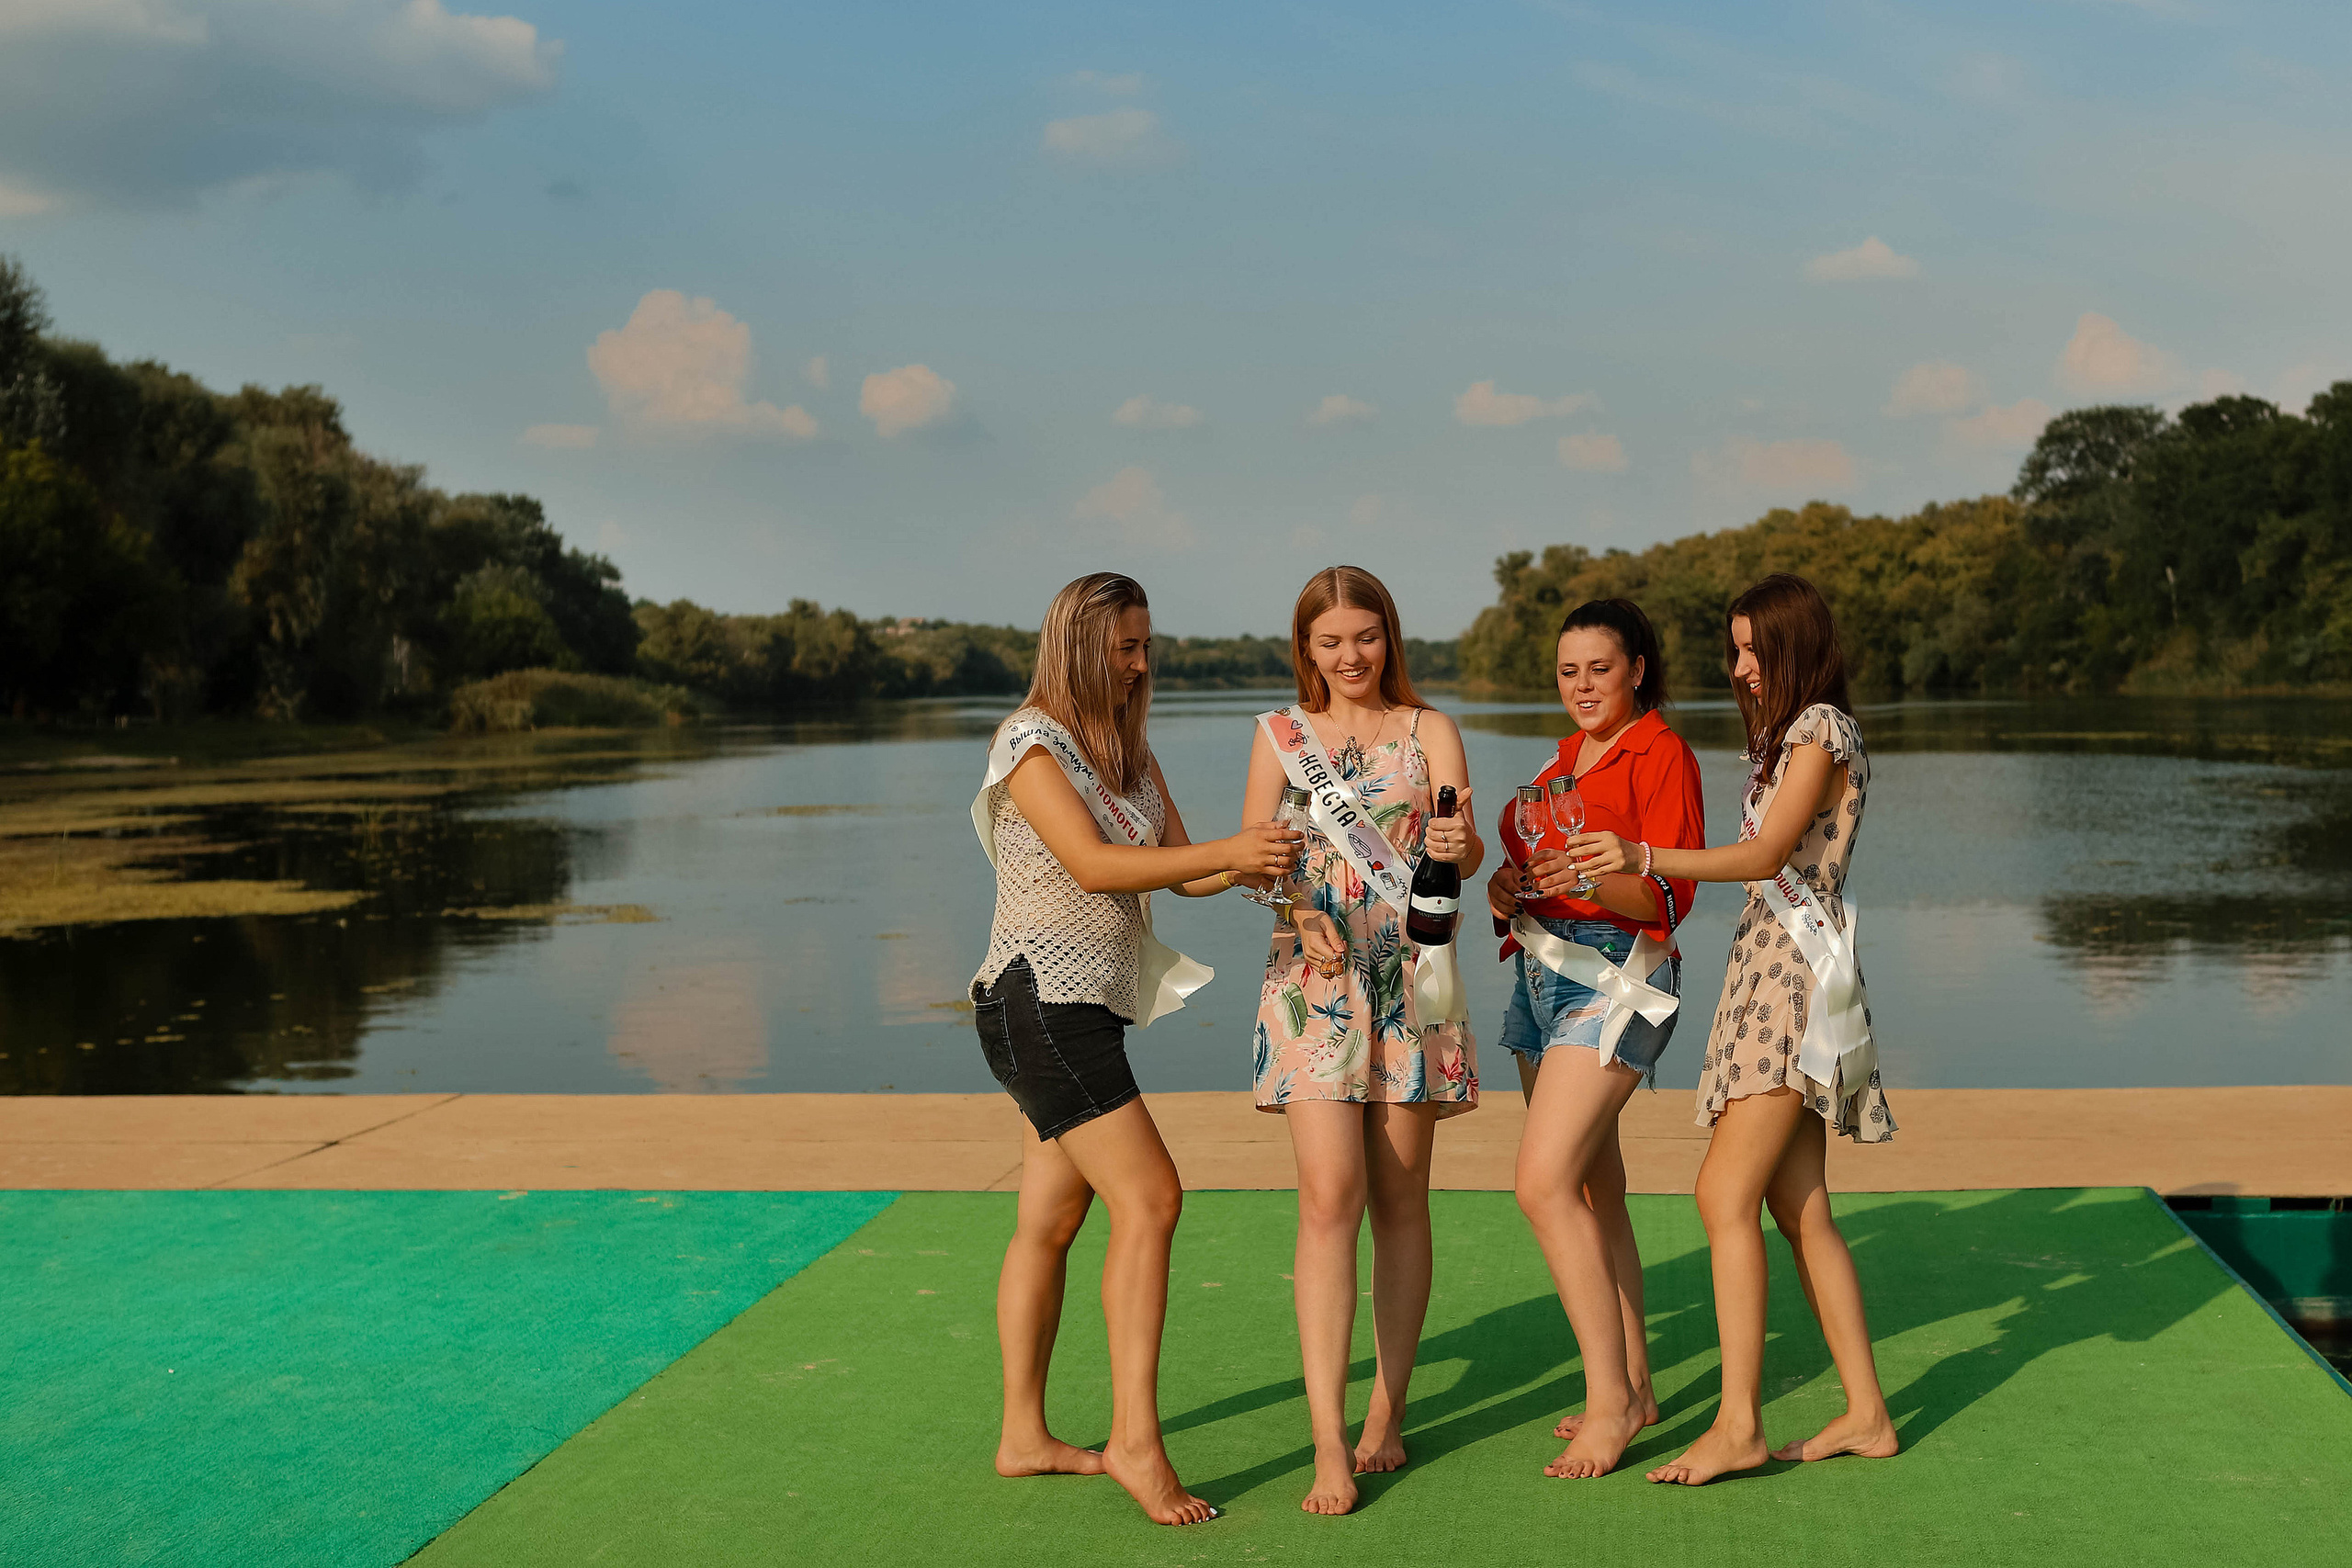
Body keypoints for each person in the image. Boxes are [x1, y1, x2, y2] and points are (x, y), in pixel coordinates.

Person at [972, 571, 1302, 1527]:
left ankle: (1023, 1437)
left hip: (1081, 1011)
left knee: (1049, 1222)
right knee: (1152, 1198)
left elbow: (1187, 873)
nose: (1142, 661)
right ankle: (1133, 1442)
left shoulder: (1126, 753)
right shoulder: (1029, 743)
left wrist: (1262, 860)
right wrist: (1223, 854)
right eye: (1126, 646)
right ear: (1080, 644)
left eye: (1145, 644)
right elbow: (1095, 866)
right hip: (1039, 1003)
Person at [1566, 572, 1900, 1486]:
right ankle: (1867, 1414)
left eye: (1753, 648)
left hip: (1792, 981)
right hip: (1775, 968)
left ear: (1794, 646)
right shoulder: (1788, 739)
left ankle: (1739, 1423)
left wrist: (1642, 854)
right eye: (1735, 649)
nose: (1740, 666)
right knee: (1799, 1210)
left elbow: (1759, 857)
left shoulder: (1819, 730)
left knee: (1722, 1196)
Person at [1242, 565, 1481, 1516]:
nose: (1350, 656)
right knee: (1328, 1199)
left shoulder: (1433, 732)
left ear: (1391, 637)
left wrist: (1461, 856)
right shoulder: (1276, 737)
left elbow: (1456, 861)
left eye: (1366, 636)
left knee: (1399, 1198)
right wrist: (1297, 913)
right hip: (1312, 982)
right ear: (1305, 646)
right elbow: (1257, 864)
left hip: (1408, 979)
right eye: (1330, 640)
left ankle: (1387, 1411)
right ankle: (1327, 1444)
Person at [1488, 598, 1705, 1479]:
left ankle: (1609, 1404)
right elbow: (1536, 864)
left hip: (1619, 976)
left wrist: (1600, 869)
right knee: (1592, 1185)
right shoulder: (1561, 760)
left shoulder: (1663, 754)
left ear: (1637, 670)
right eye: (1569, 669)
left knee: (1541, 1184)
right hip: (1537, 975)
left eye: (1600, 669)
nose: (1582, 684)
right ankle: (1640, 1384)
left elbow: (1665, 900)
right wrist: (1511, 888)